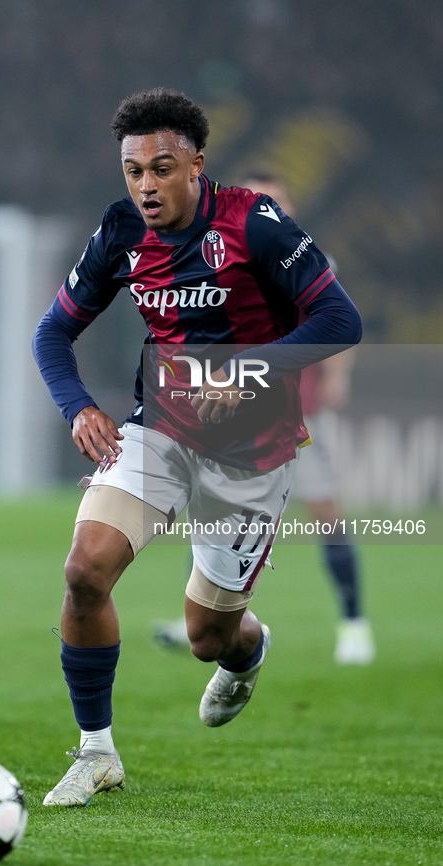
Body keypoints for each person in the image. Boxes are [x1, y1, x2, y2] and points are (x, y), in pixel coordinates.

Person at [33, 89, 362, 807]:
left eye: (160, 167)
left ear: (196, 165)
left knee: (209, 636)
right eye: (132, 171)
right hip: (158, 432)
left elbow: (341, 319)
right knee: (85, 570)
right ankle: (96, 753)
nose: (145, 185)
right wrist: (78, 405)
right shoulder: (119, 233)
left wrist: (244, 371)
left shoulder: (256, 225)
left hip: (251, 455)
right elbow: (51, 333)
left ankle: (249, 650)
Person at [155, 174, 375, 665]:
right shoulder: (219, 256)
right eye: (256, 197)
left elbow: (338, 319)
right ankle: (199, 615)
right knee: (211, 515)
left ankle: (354, 623)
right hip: (231, 418)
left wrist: (338, 376)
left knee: (326, 516)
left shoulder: (306, 256)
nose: (263, 207)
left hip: (300, 415)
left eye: (273, 199)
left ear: (290, 206)